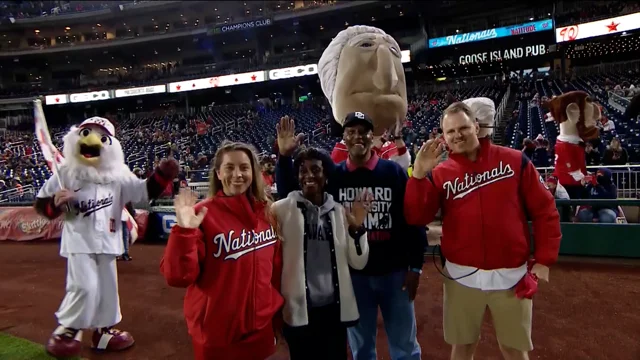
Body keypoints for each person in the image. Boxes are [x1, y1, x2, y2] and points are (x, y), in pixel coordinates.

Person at [404, 102, 562, 360]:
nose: (458, 135)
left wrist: (545, 259)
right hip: (461, 276)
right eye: (450, 131)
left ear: (476, 127)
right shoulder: (440, 174)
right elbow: (416, 216)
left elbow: (545, 210)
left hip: (511, 276)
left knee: (514, 348)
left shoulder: (514, 161)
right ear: (443, 136)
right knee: (462, 346)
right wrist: (419, 175)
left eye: (464, 127)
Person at [276, 113, 425, 360]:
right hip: (354, 278)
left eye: (363, 131)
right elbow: (292, 193)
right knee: (362, 349)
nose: (358, 136)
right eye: (351, 131)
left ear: (372, 136)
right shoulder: (334, 176)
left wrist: (416, 267)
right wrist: (283, 157)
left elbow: (414, 218)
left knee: (405, 347)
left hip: (394, 274)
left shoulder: (393, 173)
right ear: (343, 138)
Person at [160, 141, 287, 360]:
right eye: (229, 168)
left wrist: (275, 319)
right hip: (217, 336)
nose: (237, 174)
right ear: (218, 173)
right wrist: (183, 233)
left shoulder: (267, 213)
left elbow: (274, 273)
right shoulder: (201, 214)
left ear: (253, 172)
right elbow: (178, 276)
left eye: (244, 168)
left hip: (261, 331)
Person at [273, 147, 371, 360]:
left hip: (333, 310)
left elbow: (358, 262)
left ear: (326, 175)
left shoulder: (339, 212)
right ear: (296, 176)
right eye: (303, 170)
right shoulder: (280, 210)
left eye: (316, 170)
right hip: (299, 309)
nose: (309, 175)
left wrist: (357, 229)